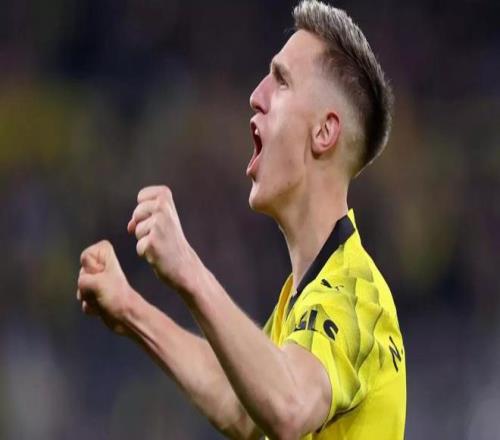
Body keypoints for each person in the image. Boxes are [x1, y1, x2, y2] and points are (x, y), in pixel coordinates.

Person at [76, 1, 406, 438]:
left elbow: (288, 407)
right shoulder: (300, 301)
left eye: (282, 80)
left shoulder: (354, 296)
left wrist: (187, 268)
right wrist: (130, 310)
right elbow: (242, 406)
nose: (256, 95)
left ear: (324, 132)